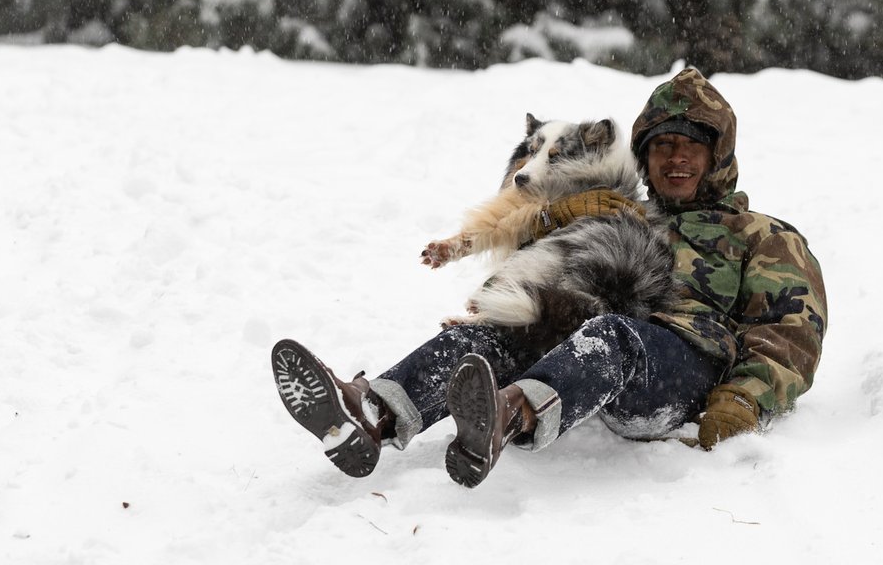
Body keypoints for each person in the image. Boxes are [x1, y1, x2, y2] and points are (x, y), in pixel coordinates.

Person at [271, 67, 827, 488]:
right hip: (588, 331)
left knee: (611, 334)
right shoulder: (619, 207)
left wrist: (744, 400)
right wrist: (553, 217)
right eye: (663, 146)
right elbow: (532, 254)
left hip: (679, 365)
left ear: (718, 156)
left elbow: (790, 334)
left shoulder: (761, 234)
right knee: (496, 333)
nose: (676, 159)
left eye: (691, 147)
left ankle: (507, 415)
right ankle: (373, 412)